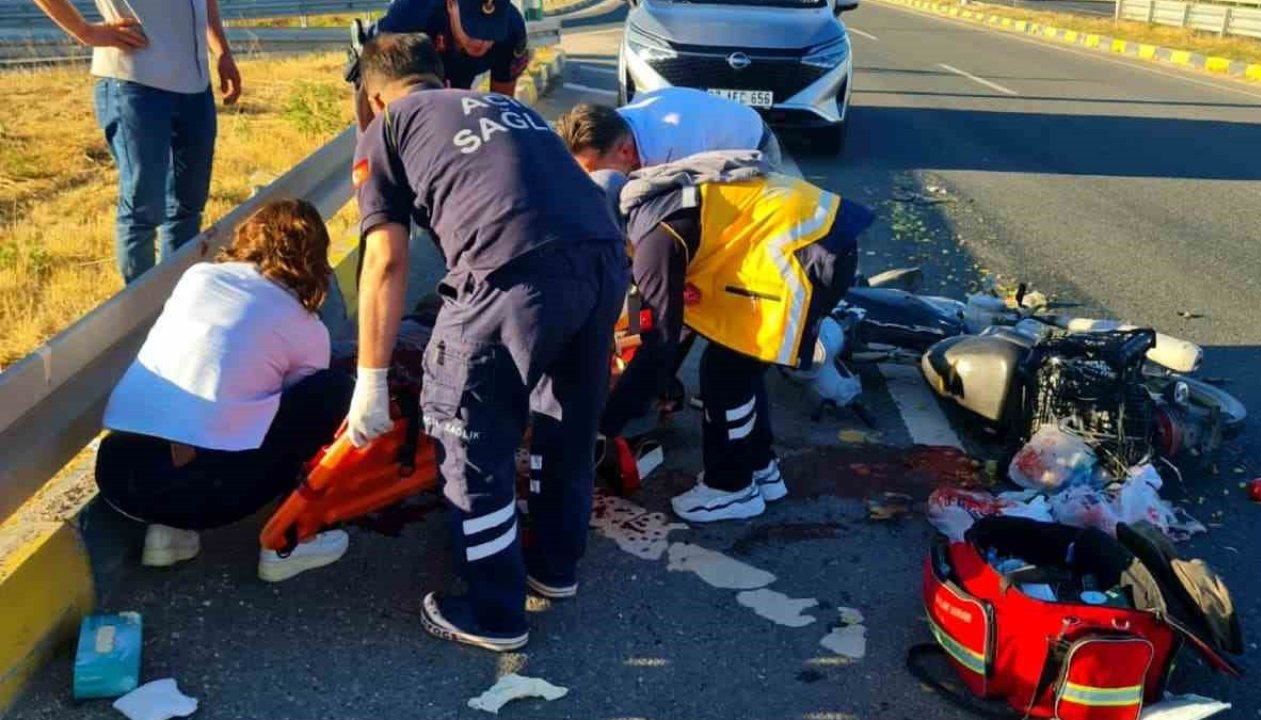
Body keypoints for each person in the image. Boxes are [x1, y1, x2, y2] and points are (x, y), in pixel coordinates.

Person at [347, 33, 627, 652]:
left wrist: (368, 382)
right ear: (438, 74)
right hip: (603, 263)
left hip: (512, 277)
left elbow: (386, 263)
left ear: (372, 93)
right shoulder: (513, 109)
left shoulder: (387, 127)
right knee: (565, 428)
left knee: (468, 441)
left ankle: (492, 611)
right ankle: (555, 569)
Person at [593, 152, 874, 523]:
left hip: (809, 254)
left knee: (725, 373)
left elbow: (660, 345)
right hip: (821, 239)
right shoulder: (656, 197)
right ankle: (760, 466)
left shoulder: (655, 237)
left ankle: (730, 488)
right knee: (738, 365)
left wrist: (603, 427)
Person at [95, 199, 353, 583]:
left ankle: (168, 533)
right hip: (207, 492)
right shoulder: (306, 327)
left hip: (118, 468)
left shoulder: (198, 277)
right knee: (330, 390)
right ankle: (287, 542)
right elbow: (297, 413)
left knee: (197, 412)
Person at [32, 0, 242, 284]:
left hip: (195, 87)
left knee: (188, 207)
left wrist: (222, 52)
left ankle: (174, 302)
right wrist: (86, 32)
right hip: (136, 82)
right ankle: (140, 315)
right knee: (143, 211)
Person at [349, 0, 530, 131]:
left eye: (491, 31)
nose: (481, 41)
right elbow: (375, 87)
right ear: (451, 5)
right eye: (473, 28)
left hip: (456, 72)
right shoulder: (410, 16)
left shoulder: (512, 30)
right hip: (407, 70)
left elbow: (501, 105)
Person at [555, 87, 783, 174]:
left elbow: (690, 212)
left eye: (592, 171)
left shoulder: (674, 147)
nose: (588, 179)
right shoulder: (615, 127)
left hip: (754, 150)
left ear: (626, 152)